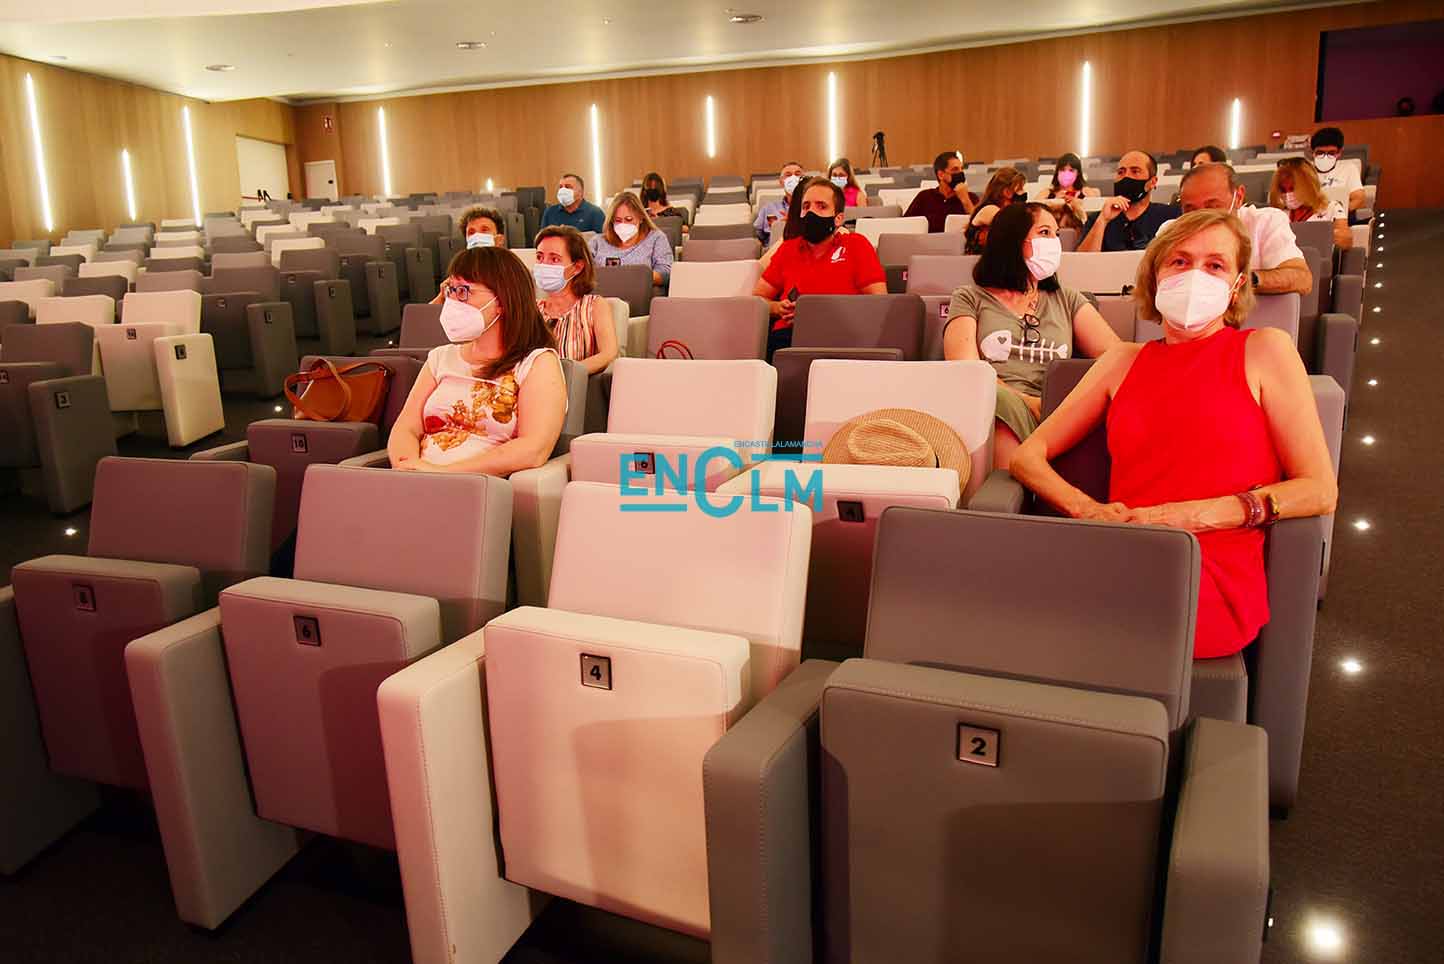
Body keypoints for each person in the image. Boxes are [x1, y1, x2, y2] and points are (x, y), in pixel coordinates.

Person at [1008, 210, 1337, 659]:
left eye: (1215, 265)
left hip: (1204, 569)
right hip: (1119, 547)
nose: (1195, 275)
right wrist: (1089, 510)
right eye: (1179, 261)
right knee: (1002, 609)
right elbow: (1028, 456)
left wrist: (1197, 516)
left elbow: (1319, 489)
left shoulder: (1265, 349)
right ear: (1155, 274)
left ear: (1237, 285)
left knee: (1055, 628)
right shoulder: (1121, 360)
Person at [943, 203, 1121, 468]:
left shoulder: (1067, 299)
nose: (1054, 242)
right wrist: (1026, 402)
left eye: (1056, 234)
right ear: (1013, 239)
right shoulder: (969, 297)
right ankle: (1009, 486)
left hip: (1056, 412)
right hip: (991, 402)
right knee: (999, 401)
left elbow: (1115, 357)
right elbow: (966, 369)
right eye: (1045, 232)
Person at [388, 247, 567, 475]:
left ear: (502, 300)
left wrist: (441, 473)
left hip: (478, 486)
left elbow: (533, 449)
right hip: (416, 478)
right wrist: (407, 466)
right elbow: (406, 428)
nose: (452, 301)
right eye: (450, 290)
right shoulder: (440, 357)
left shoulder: (537, 363)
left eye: (463, 291)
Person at [753, 176, 888, 358]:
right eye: (806, 206)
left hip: (843, 335)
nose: (811, 212)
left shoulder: (857, 245)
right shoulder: (788, 249)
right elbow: (759, 299)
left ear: (838, 219)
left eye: (821, 206)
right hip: (790, 337)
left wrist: (820, 315)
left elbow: (879, 302)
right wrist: (779, 308)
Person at [1175, 164, 1312, 296]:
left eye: (1213, 207)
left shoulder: (1265, 222)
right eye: (1191, 210)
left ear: (1239, 197)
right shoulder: (1173, 232)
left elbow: (1302, 279)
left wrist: (1241, 281)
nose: (1202, 217)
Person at [534, 226, 619, 375]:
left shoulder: (594, 305)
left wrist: (565, 374)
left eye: (554, 259)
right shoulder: (531, 309)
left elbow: (608, 353)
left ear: (577, 267)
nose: (544, 264)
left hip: (575, 383)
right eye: (540, 257)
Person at [1078, 150, 1180, 252]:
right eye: (1121, 172)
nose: (1126, 176)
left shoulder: (1170, 216)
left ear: (1152, 182)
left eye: (1135, 171)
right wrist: (1102, 221)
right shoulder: (1097, 219)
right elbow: (1084, 259)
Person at [589, 192, 673, 286]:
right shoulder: (597, 241)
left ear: (641, 218)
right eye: (618, 220)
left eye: (628, 219)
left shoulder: (656, 238)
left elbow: (666, 273)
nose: (623, 224)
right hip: (602, 291)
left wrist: (634, 277)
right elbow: (583, 270)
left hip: (639, 291)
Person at [1270, 157, 1351, 250]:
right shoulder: (1279, 214)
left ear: (1308, 186)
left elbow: (1346, 240)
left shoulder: (1331, 208)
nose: (1288, 195)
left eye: (1292, 188)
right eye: (1283, 190)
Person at [904, 151, 978, 232]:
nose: (960, 173)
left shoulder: (971, 197)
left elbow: (980, 226)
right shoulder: (924, 197)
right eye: (955, 169)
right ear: (941, 175)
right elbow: (905, 225)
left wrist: (965, 200)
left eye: (961, 169)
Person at [1310, 127, 1364, 213]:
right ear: (1312, 152)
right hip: (1311, 216)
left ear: (1339, 152)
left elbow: (1359, 199)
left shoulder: (1349, 168)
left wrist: (1338, 213)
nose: (1325, 157)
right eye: (1320, 153)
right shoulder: (1304, 170)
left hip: (1339, 215)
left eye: (1331, 153)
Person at [755, 161, 805, 247]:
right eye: (788, 175)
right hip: (775, 249)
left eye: (797, 174)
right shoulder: (768, 208)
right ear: (781, 182)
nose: (793, 178)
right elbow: (759, 235)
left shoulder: (812, 207)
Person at [1043, 153, 1094, 232]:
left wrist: (1077, 206)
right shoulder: (1047, 192)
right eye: (1062, 170)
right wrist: (1054, 202)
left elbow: (1093, 218)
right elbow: (1033, 208)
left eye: (1071, 170)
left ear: (1078, 173)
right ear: (1057, 172)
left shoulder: (1086, 192)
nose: (1066, 174)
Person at [539, 173, 606, 233]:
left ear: (580, 192)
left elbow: (603, 240)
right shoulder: (550, 212)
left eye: (568, 187)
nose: (563, 190)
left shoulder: (595, 213)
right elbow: (542, 239)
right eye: (560, 187)